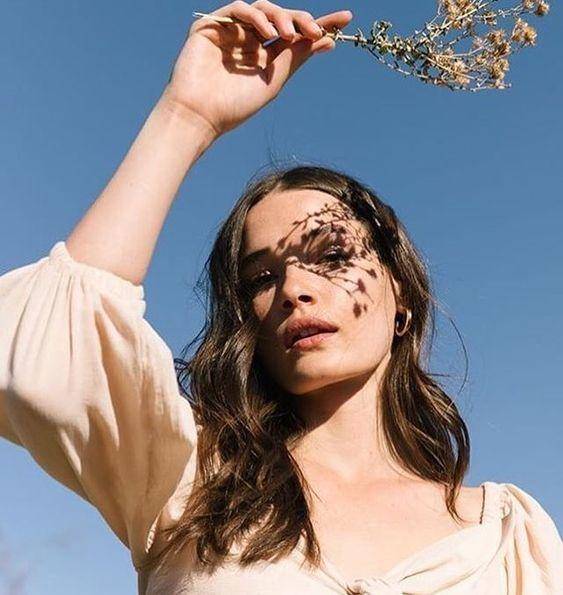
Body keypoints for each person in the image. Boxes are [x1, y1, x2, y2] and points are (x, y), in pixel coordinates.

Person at [0, 2, 561, 594]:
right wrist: (187, 116)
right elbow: (38, 357)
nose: (294, 289)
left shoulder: (508, 538)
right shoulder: (188, 479)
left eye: (332, 256)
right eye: (261, 279)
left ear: (401, 296)